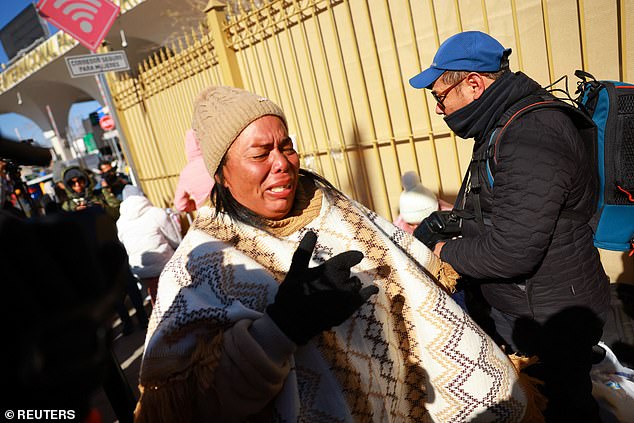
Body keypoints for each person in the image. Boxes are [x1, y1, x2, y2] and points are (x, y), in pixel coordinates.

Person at [134, 86, 535, 422]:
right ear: (221, 172)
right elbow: (193, 403)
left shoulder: (332, 205)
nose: (282, 164)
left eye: (286, 147)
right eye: (260, 154)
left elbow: (417, 283)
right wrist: (280, 329)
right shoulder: (203, 262)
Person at [409, 31, 610, 422]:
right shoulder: (504, 122)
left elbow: (512, 249)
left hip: (551, 321)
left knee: (564, 410)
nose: (438, 108)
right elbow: (507, 207)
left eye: (439, 96)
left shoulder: (531, 133)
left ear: (473, 83)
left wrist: (444, 252)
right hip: (535, 308)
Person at [116, 185, 181, 305]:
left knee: (156, 300)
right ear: (142, 196)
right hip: (164, 265)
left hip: (139, 270)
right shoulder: (156, 213)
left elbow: (124, 245)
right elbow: (175, 240)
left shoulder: (120, 222)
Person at [173, 129, 214, 212]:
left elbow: (180, 205)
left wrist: (196, 205)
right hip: (231, 208)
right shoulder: (213, 161)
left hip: (207, 214)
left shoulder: (185, 174)